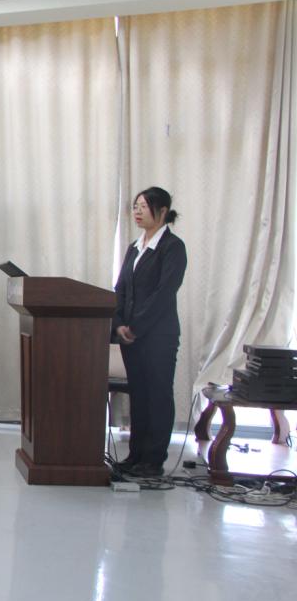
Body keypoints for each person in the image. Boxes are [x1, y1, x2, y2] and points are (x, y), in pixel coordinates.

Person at [112, 187, 187, 478]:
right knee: (139, 395)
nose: (137, 211)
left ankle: (154, 459)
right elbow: (121, 288)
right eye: (136, 206)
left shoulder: (172, 247)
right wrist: (119, 323)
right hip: (130, 336)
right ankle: (135, 455)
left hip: (158, 337)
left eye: (144, 206)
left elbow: (164, 293)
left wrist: (136, 326)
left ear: (163, 211)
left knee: (157, 395)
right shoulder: (135, 247)